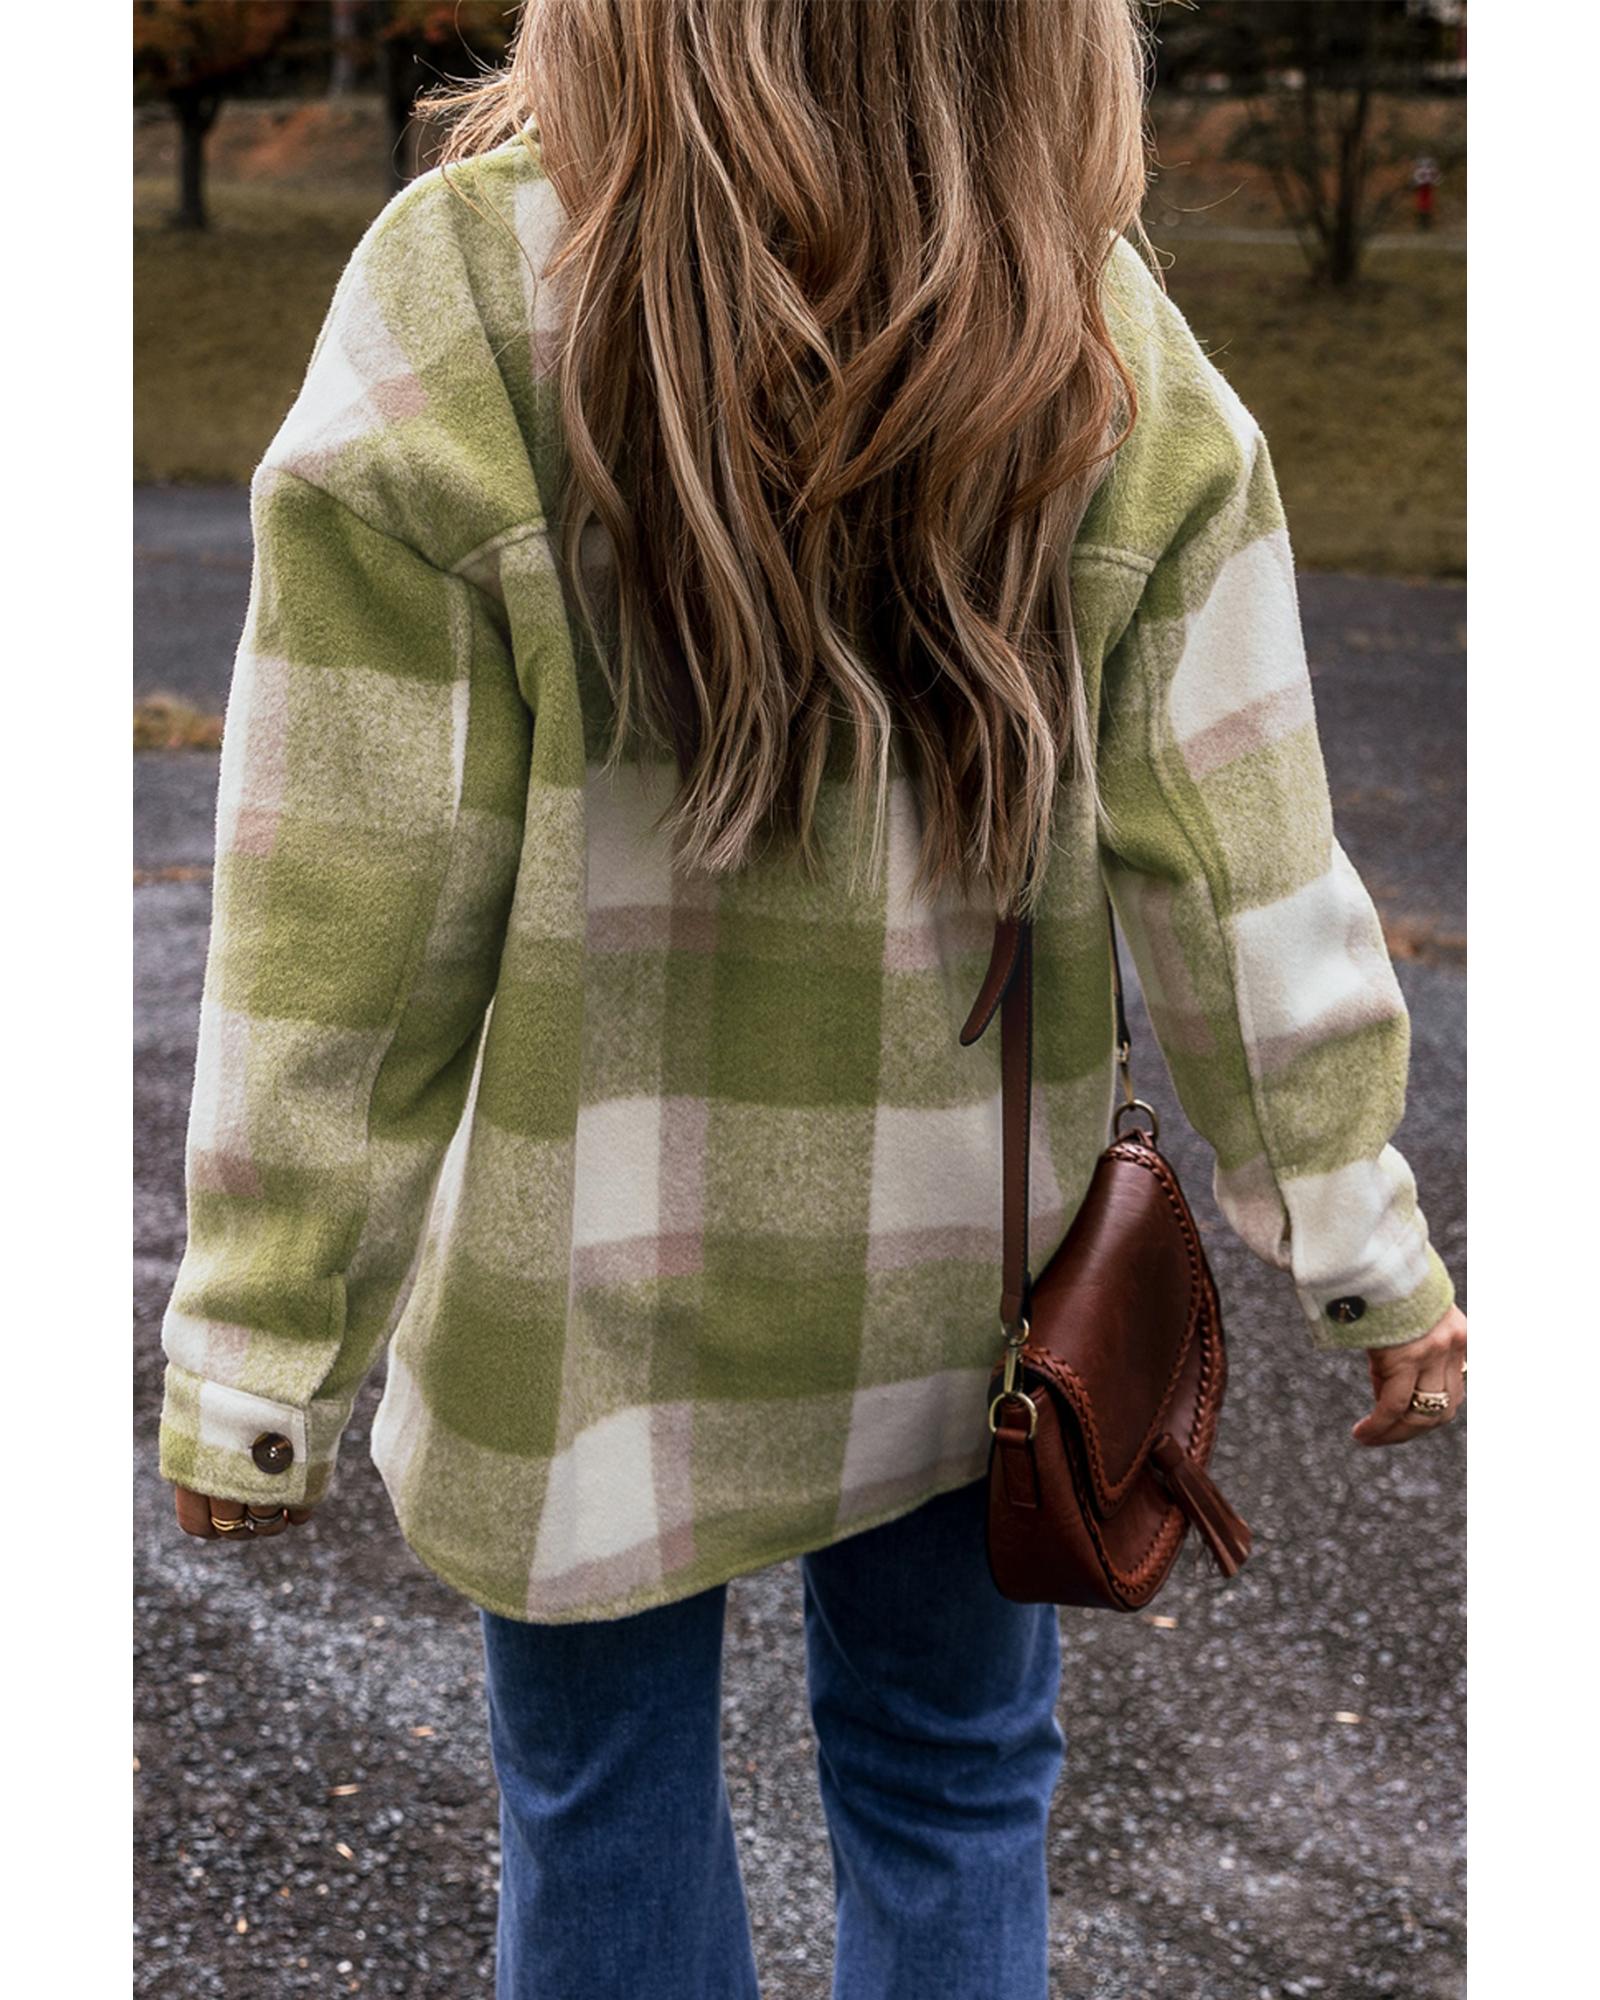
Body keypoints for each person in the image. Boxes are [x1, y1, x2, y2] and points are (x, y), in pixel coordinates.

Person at [156, 4, 1466, 1995]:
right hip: (973, 1294)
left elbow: (345, 892)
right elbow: (1239, 859)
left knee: (598, 1797)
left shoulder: (469, 291)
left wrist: (261, 1355)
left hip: (576, 1295)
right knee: (953, 1780)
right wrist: (1367, 1251)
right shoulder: (1085, 319)